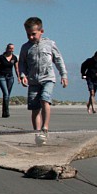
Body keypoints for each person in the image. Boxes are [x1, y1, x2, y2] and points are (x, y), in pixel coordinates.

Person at [19, 17, 68, 145]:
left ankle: (45, 128)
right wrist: (22, 75)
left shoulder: (50, 44)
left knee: (45, 99)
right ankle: (37, 133)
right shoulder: (25, 47)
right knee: (35, 108)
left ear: (42, 31)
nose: (31, 37)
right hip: (33, 81)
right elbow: (22, 64)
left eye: (33, 34)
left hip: (48, 78)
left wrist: (64, 75)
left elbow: (58, 60)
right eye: (28, 34)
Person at [0, 43, 21, 118]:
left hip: (10, 78)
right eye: (10, 48)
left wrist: (19, 77)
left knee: (7, 95)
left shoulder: (14, 58)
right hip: (2, 77)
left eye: (13, 48)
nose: (11, 50)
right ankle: (6, 111)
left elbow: (16, 68)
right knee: (6, 94)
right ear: (7, 49)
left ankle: (4, 112)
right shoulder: (1, 57)